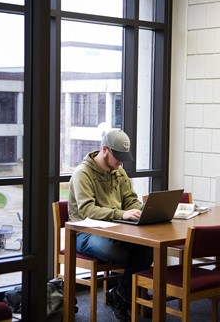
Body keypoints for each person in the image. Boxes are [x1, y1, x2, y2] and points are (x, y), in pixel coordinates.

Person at [68, 129, 153, 322]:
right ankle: (128, 294)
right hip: (84, 233)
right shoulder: (83, 173)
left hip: (116, 230)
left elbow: (130, 199)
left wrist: (140, 211)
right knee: (121, 254)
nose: (121, 163)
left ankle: (119, 294)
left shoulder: (119, 171)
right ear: (105, 149)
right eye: (118, 158)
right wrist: (121, 214)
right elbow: (88, 210)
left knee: (149, 250)